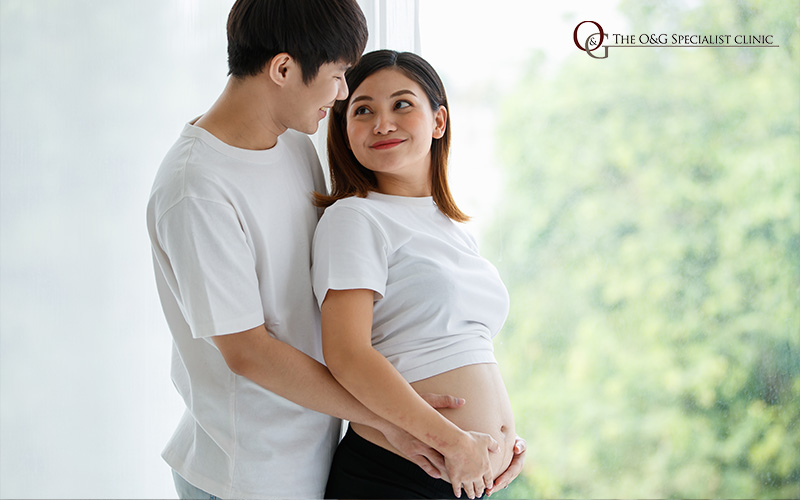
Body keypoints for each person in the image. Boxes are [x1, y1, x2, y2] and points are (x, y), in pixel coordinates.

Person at [147, 2, 525, 499]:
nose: (344, 94)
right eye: (340, 75)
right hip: (247, 473)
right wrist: (413, 428)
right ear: (283, 68)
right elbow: (248, 353)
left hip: (317, 449)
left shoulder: (289, 143)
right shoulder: (196, 188)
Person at [312, 50, 520, 500]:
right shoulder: (355, 218)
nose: (382, 124)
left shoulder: (453, 228)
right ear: (345, 132)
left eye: (402, 105)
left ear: (439, 121)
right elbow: (347, 354)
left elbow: (464, 349)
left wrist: (502, 439)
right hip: (393, 473)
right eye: (362, 110)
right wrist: (457, 441)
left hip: (465, 475)